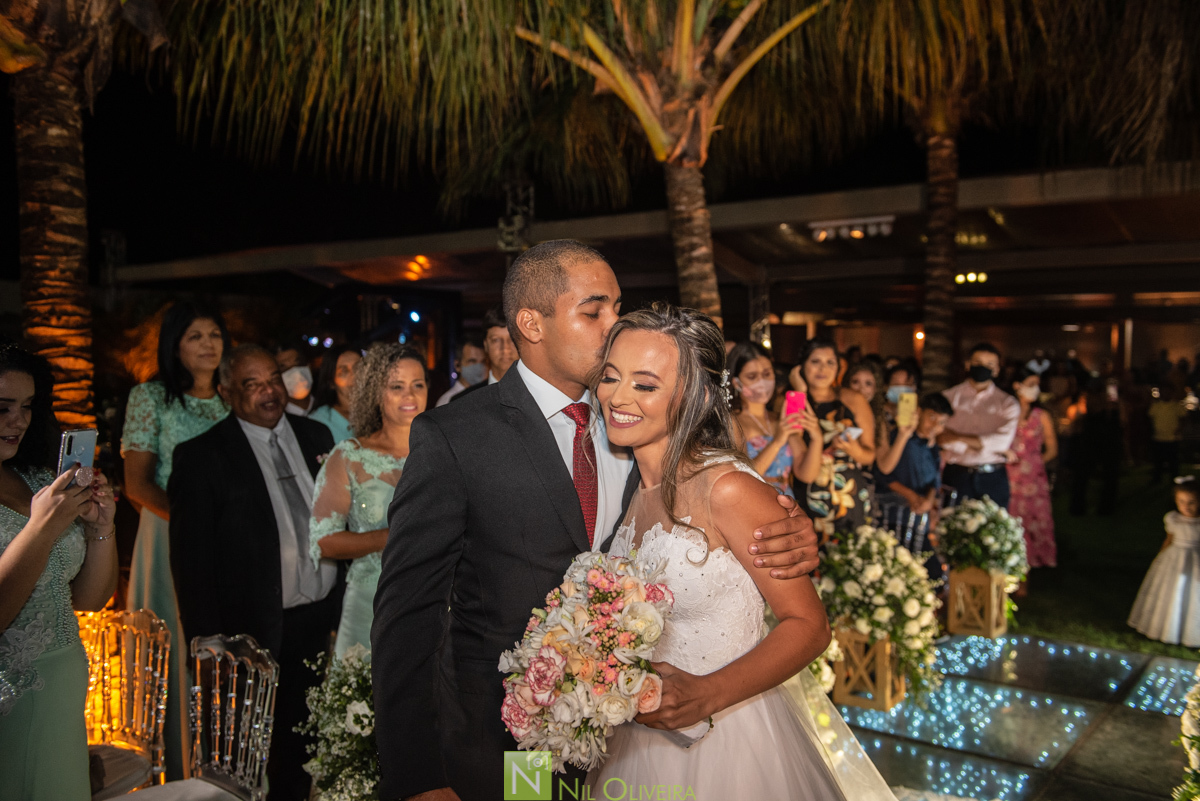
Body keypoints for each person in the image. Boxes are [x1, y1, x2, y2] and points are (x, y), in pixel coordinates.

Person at [372, 240, 819, 801]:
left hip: (625, 741)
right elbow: (406, 615)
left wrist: (789, 526)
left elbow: (714, 502)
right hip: (506, 736)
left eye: (618, 307)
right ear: (531, 323)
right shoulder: (457, 436)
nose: (614, 325)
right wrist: (417, 775)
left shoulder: (635, 422)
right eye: (595, 310)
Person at [589, 304, 893, 799]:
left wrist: (709, 693)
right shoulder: (634, 490)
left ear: (690, 395)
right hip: (638, 742)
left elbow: (810, 626)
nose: (617, 397)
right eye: (610, 377)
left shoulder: (726, 488)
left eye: (644, 384)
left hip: (730, 741)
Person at [169, 345, 340, 801]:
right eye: (253, 384)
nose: (269, 392)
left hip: (316, 624)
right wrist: (207, 647)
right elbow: (192, 565)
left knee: (302, 750)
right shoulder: (201, 457)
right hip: (249, 633)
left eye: (274, 379)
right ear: (227, 392)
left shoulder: (316, 436)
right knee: (242, 755)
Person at [0, 345, 117, 800]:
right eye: (3, 407)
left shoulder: (33, 480)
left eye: (28, 407)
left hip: (64, 698)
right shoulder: (42, 506)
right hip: (11, 702)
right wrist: (43, 527)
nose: (20, 421)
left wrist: (101, 530)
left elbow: (87, 600)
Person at [122, 301, 230, 779]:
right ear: (174, 345)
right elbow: (137, 483)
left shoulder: (231, 397)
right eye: (195, 336)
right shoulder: (151, 398)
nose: (209, 344)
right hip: (168, 536)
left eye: (214, 334)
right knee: (175, 645)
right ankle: (168, 768)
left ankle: (223, 764)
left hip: (229, 540)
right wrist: (197, 521)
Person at [309, 344, 426, 657]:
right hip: (370, 603)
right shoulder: (348, 456)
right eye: (397, 387)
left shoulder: (444, 453)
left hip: (435, 599)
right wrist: (389, 537)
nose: (410, 396)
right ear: (376, 392)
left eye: (418, 385)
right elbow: (323, 540)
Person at [790, 340, 877, 543]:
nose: (823, 369)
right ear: (802, 366)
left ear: (839, 368)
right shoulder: (793, 399)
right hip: (808, 491)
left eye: (830, 362)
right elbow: (792, 437)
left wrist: (854, 448)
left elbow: (870, 454)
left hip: (847, 492)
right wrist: (799, 390)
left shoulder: (853, 399)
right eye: (816, 361)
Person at [939, 343, 1020, 509]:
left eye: (990, 364)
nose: (983, 367)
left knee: (992, 531)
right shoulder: (948, 397)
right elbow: (942, 438)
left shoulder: (1007, 403)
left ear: (997, 369)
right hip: (956, 475)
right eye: (978, 362)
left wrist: (958, 437)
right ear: (968, 364)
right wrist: (984, 445)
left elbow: (1001, 443)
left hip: (992, 477)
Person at [1128, 478, 1200, 646]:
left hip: (1195, 561)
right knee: (1173, 592)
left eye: (1191, 502)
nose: (1186, 506)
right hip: (1175, 561)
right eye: (1181, 502)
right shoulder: (1173, 519)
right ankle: (1168, 628)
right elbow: (1169, 540)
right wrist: (1159, 557)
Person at [728, 341, 802, 496]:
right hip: (758, 502)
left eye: (767, 374)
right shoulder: (733, 422)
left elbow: (805, 472)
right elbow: (745, 477)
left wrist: (801, 391)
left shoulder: (777, 416)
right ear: (736, 382)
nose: (762, 382)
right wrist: (778, 441)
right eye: (752, 376)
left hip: (787, 497)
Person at [1006, 367, 1058, 569]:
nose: (1034, 389)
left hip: (1033, 480)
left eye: (1037, 385)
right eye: (1030, 384)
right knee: (1011, 518)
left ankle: (1032, 562)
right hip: (1009, 475)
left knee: (1033, 519)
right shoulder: (1008, 412)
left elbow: (1052, 448)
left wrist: (1033, 463)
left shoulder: (1041, 416)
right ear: (1017, 386)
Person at [451, 308, 518, 403]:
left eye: (512, 339)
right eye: (496, 340)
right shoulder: (462, 402)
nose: (505, 348)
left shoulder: (540, 394)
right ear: (486, 345)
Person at [309, 344, 362, 444]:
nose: (354, 376)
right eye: (344, 372)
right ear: (331, 382)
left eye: (358, 368)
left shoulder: (381, 412)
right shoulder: (319, 421)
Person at [1149, 386, 1187, 484]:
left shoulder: (1176, 405)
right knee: (1158, 461)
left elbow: (1183, 418)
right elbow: (1150, 418)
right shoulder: (1156, 405)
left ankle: (1174, 478)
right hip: (1158, 437)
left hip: (1172, 438)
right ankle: (1157, 478)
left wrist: (1179, 430)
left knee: (1173, 460)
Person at [435, 335, 486, 406]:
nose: (479, 367)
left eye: (483, 362)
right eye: (472, 361)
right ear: (457, 365)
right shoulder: (447, 401)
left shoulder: (487, 396)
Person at [276, 345, 315, 416]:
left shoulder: (329, 406)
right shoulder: (276, 418)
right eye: (283, 367)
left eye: (298, 363)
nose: (296, 373)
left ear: (309, 365)